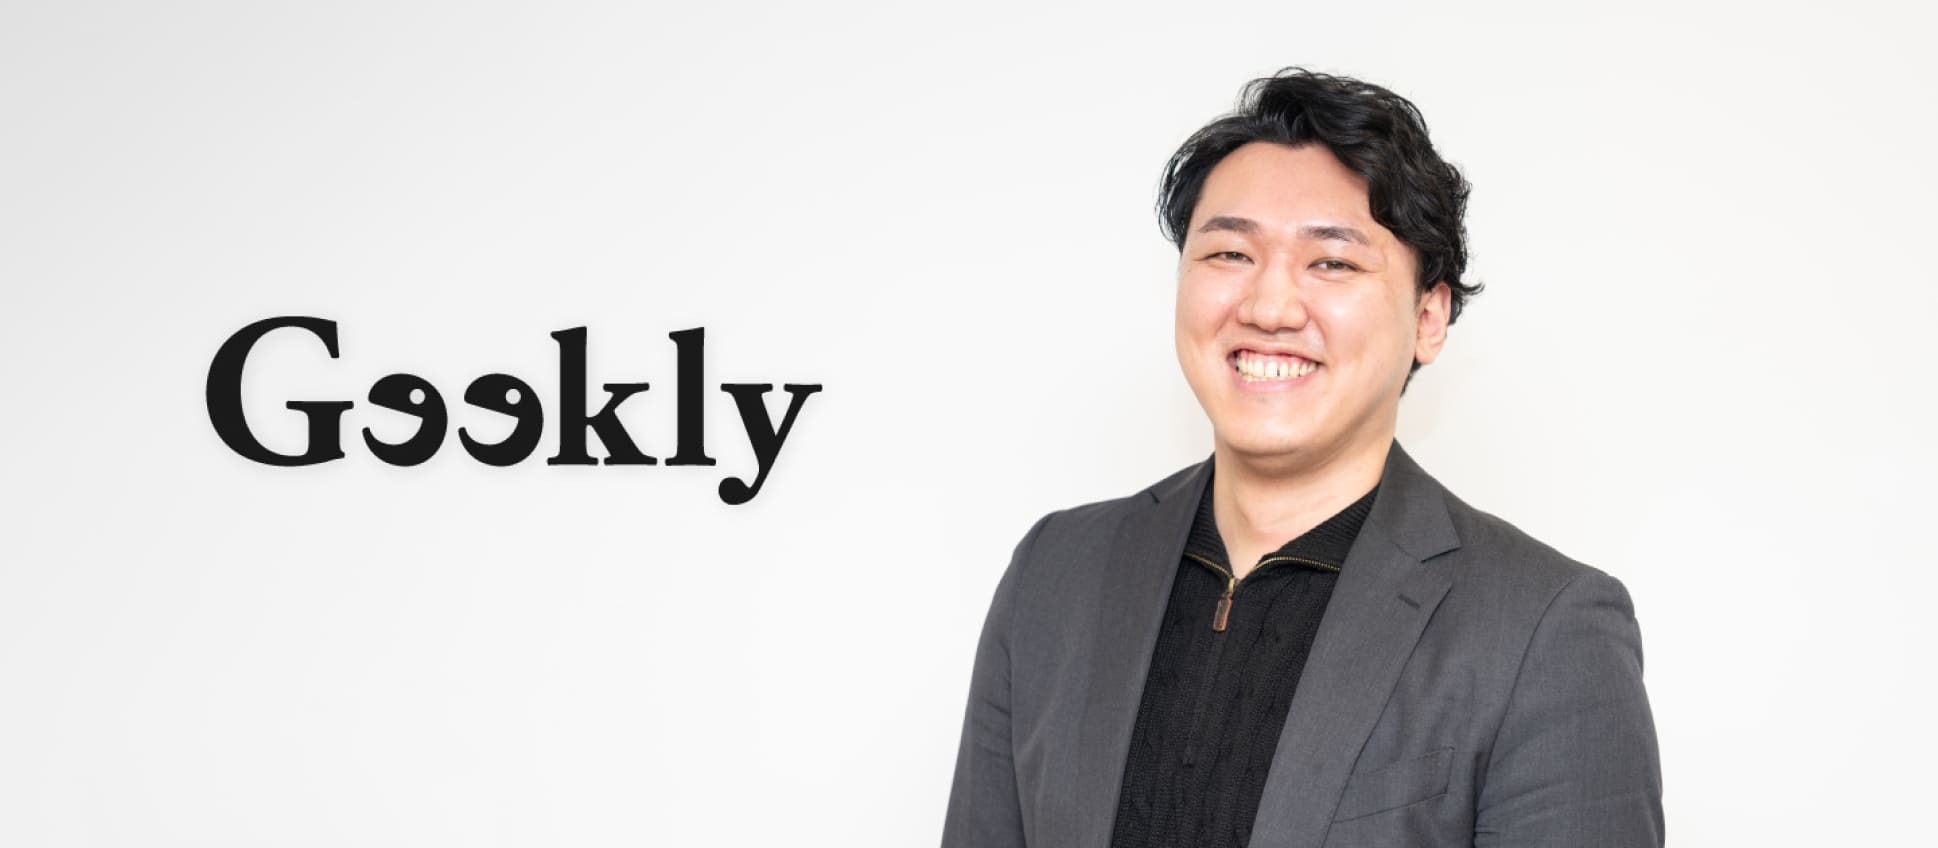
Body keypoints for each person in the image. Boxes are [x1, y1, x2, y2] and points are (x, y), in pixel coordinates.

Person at [940, 68, 1663, 848]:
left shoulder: (1544, 631)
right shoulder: (1055, 573)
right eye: (1229, 253)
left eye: (1332, 263)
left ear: (1429, 317)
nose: (1269, 307)